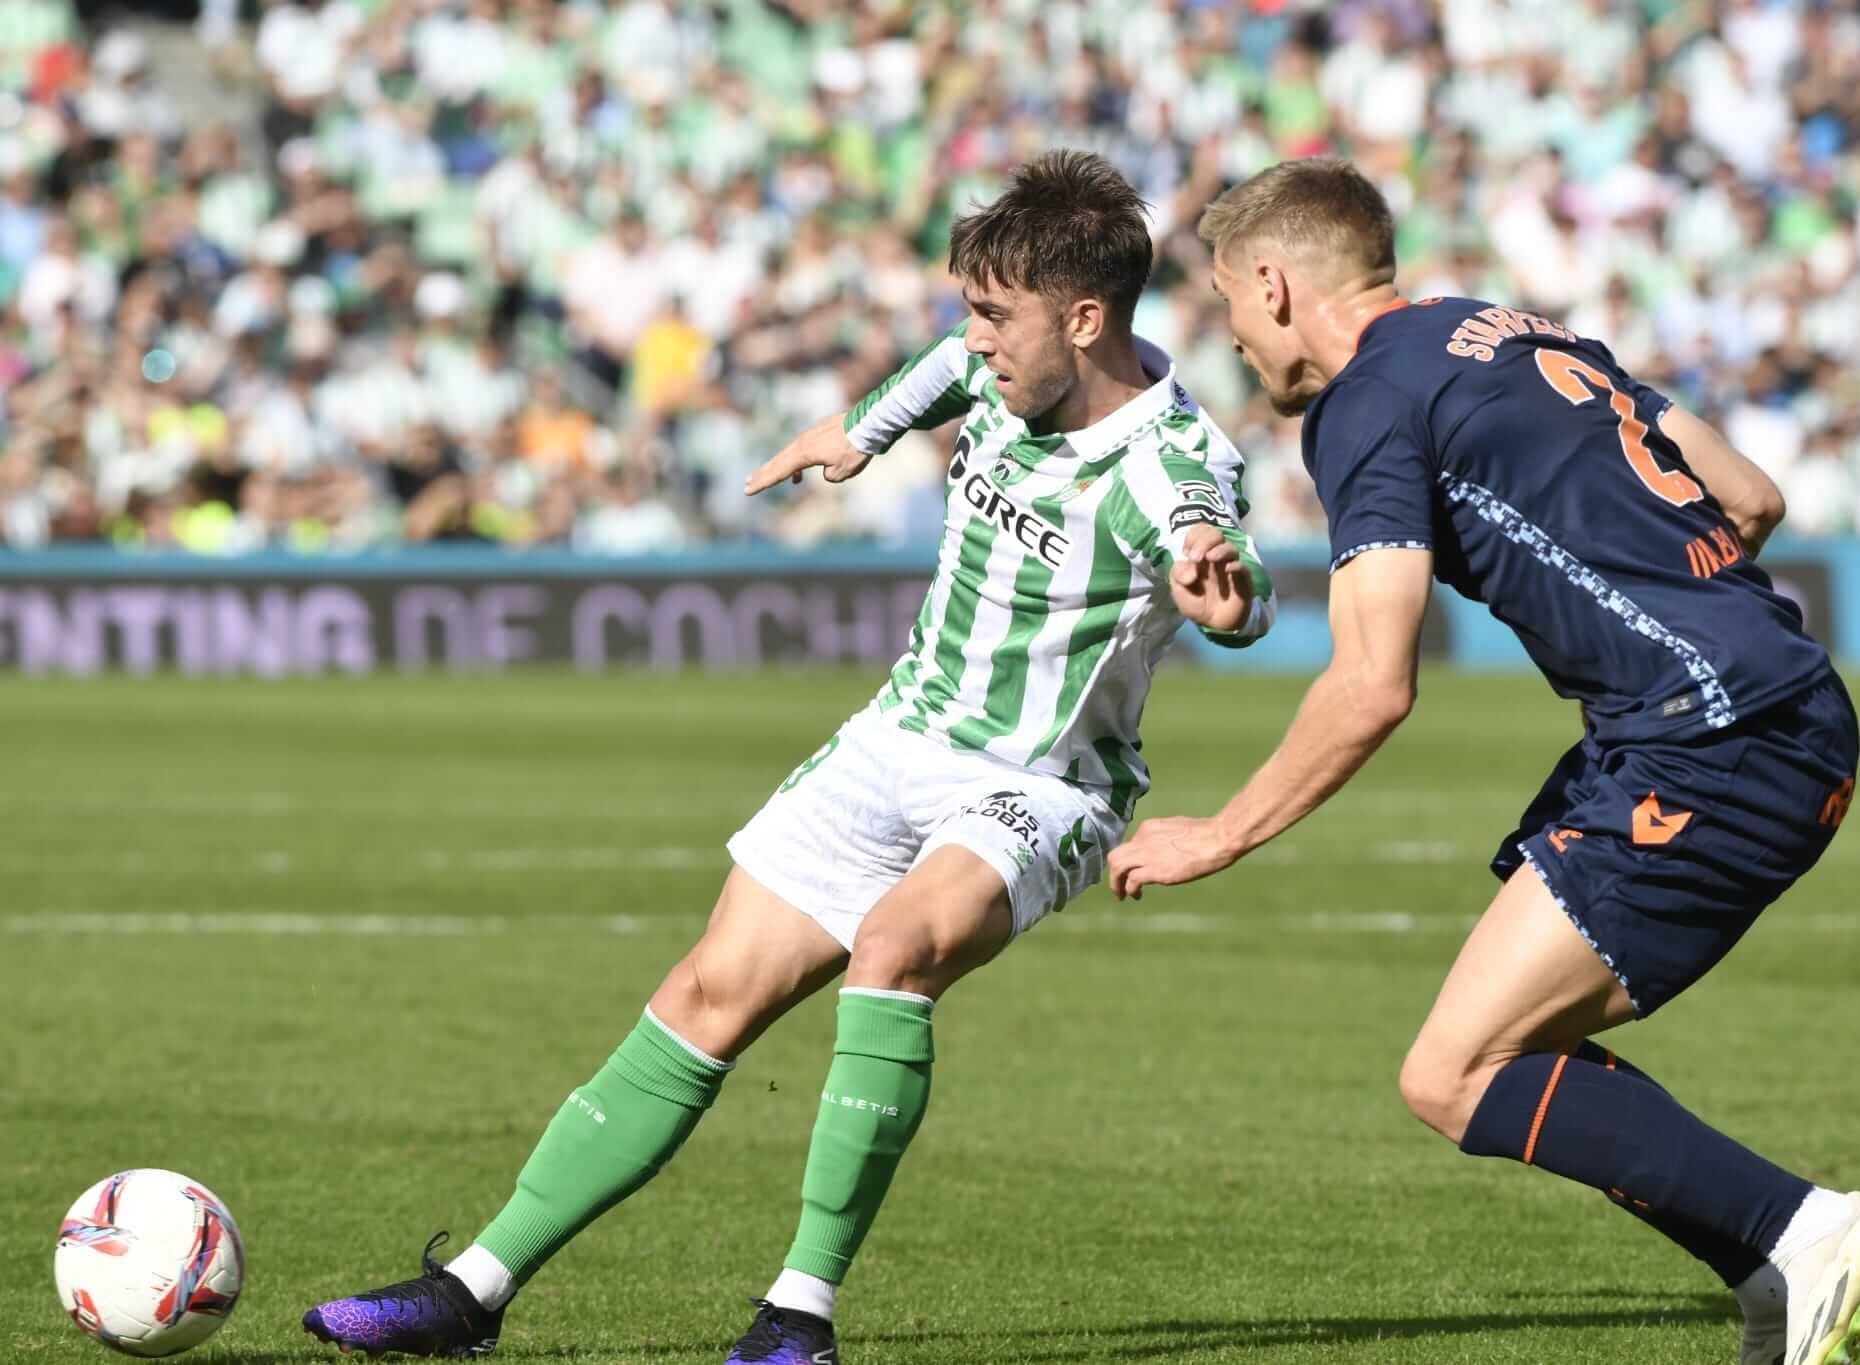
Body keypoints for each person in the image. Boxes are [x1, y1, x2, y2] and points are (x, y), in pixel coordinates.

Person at [301, 149, 1274, 1364]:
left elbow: (1217, 564)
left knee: (894, 946)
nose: (972, 339)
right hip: (896, 734)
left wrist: (1228, 600)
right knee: (706, 993)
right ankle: (471, 1294)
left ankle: (795, 1320)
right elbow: (938, 369)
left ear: (1082, 321)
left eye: (993, 315)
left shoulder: (1165, 464)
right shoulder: (1002, 371)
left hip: (1037, 782)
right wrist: (857, 431)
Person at [1108, 159, 1860, 1365]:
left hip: (1709, 737)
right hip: (1764, 702)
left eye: (1227, 301)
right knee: (1505, 1047)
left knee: (1452, 1073)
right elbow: (1748, 499)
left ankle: (1804, 1230)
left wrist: (1217, 832)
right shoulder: (1514, 330)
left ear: (1272, 284)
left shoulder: (1364, 403)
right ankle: (1767, 1268)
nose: (1230, 334)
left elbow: (1370, 684)